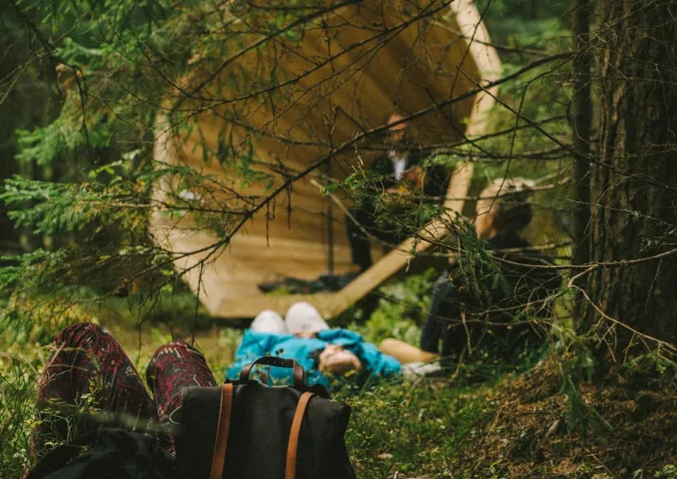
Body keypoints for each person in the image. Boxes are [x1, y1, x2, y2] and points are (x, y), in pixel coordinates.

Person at [29, 323, 521, 479]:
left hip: (164, 465)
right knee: (175, 353)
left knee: (84, 339)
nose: (384, 477)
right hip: (201, 443)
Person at [420, 178, 560, 361]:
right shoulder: (543, 266)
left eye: (478, 209)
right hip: (525, 360)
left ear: (490, 214)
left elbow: (427, 343)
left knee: (388, 345)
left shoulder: (464, 270)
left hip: (465, 368)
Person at [226, 301, 437, 388]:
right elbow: (358, 342)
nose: (335, 347)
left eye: (332, 352)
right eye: (339, 349)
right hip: (309, 336)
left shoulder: (290, 373)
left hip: (272, 343)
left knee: (268, 316)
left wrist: (269, 344)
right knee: (299, 308)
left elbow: (241, 368)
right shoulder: (369, 363)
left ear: (322, 369)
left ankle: (274, 324)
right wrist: (321, 335)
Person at [346, 111, 449, 272]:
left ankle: (410, 269)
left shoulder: (424, 156)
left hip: (417, 211)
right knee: (354, 215)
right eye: (394, 132)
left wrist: (422, 182)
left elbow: (441, 186)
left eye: (403, 131)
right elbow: (368, 192)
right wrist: (383, 196)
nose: (399, 136)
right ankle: (364, 267)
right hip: (388, 213)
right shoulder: (381, 163)